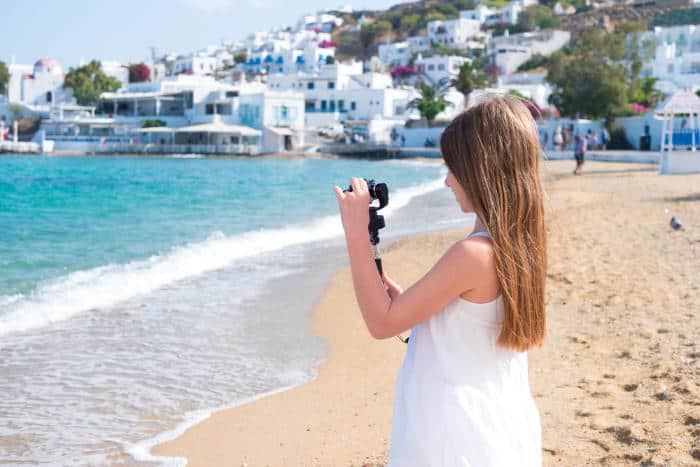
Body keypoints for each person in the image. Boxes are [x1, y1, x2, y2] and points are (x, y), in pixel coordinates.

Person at [334, 94, 546, 466]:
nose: (447, 180)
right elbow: (473, 329)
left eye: (453, 167)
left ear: (481, 170)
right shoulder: (516, 245)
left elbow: (381, 323)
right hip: (493, 430)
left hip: (455, 439)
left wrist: (355, 233)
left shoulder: (473, 255)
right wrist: (417, 305)